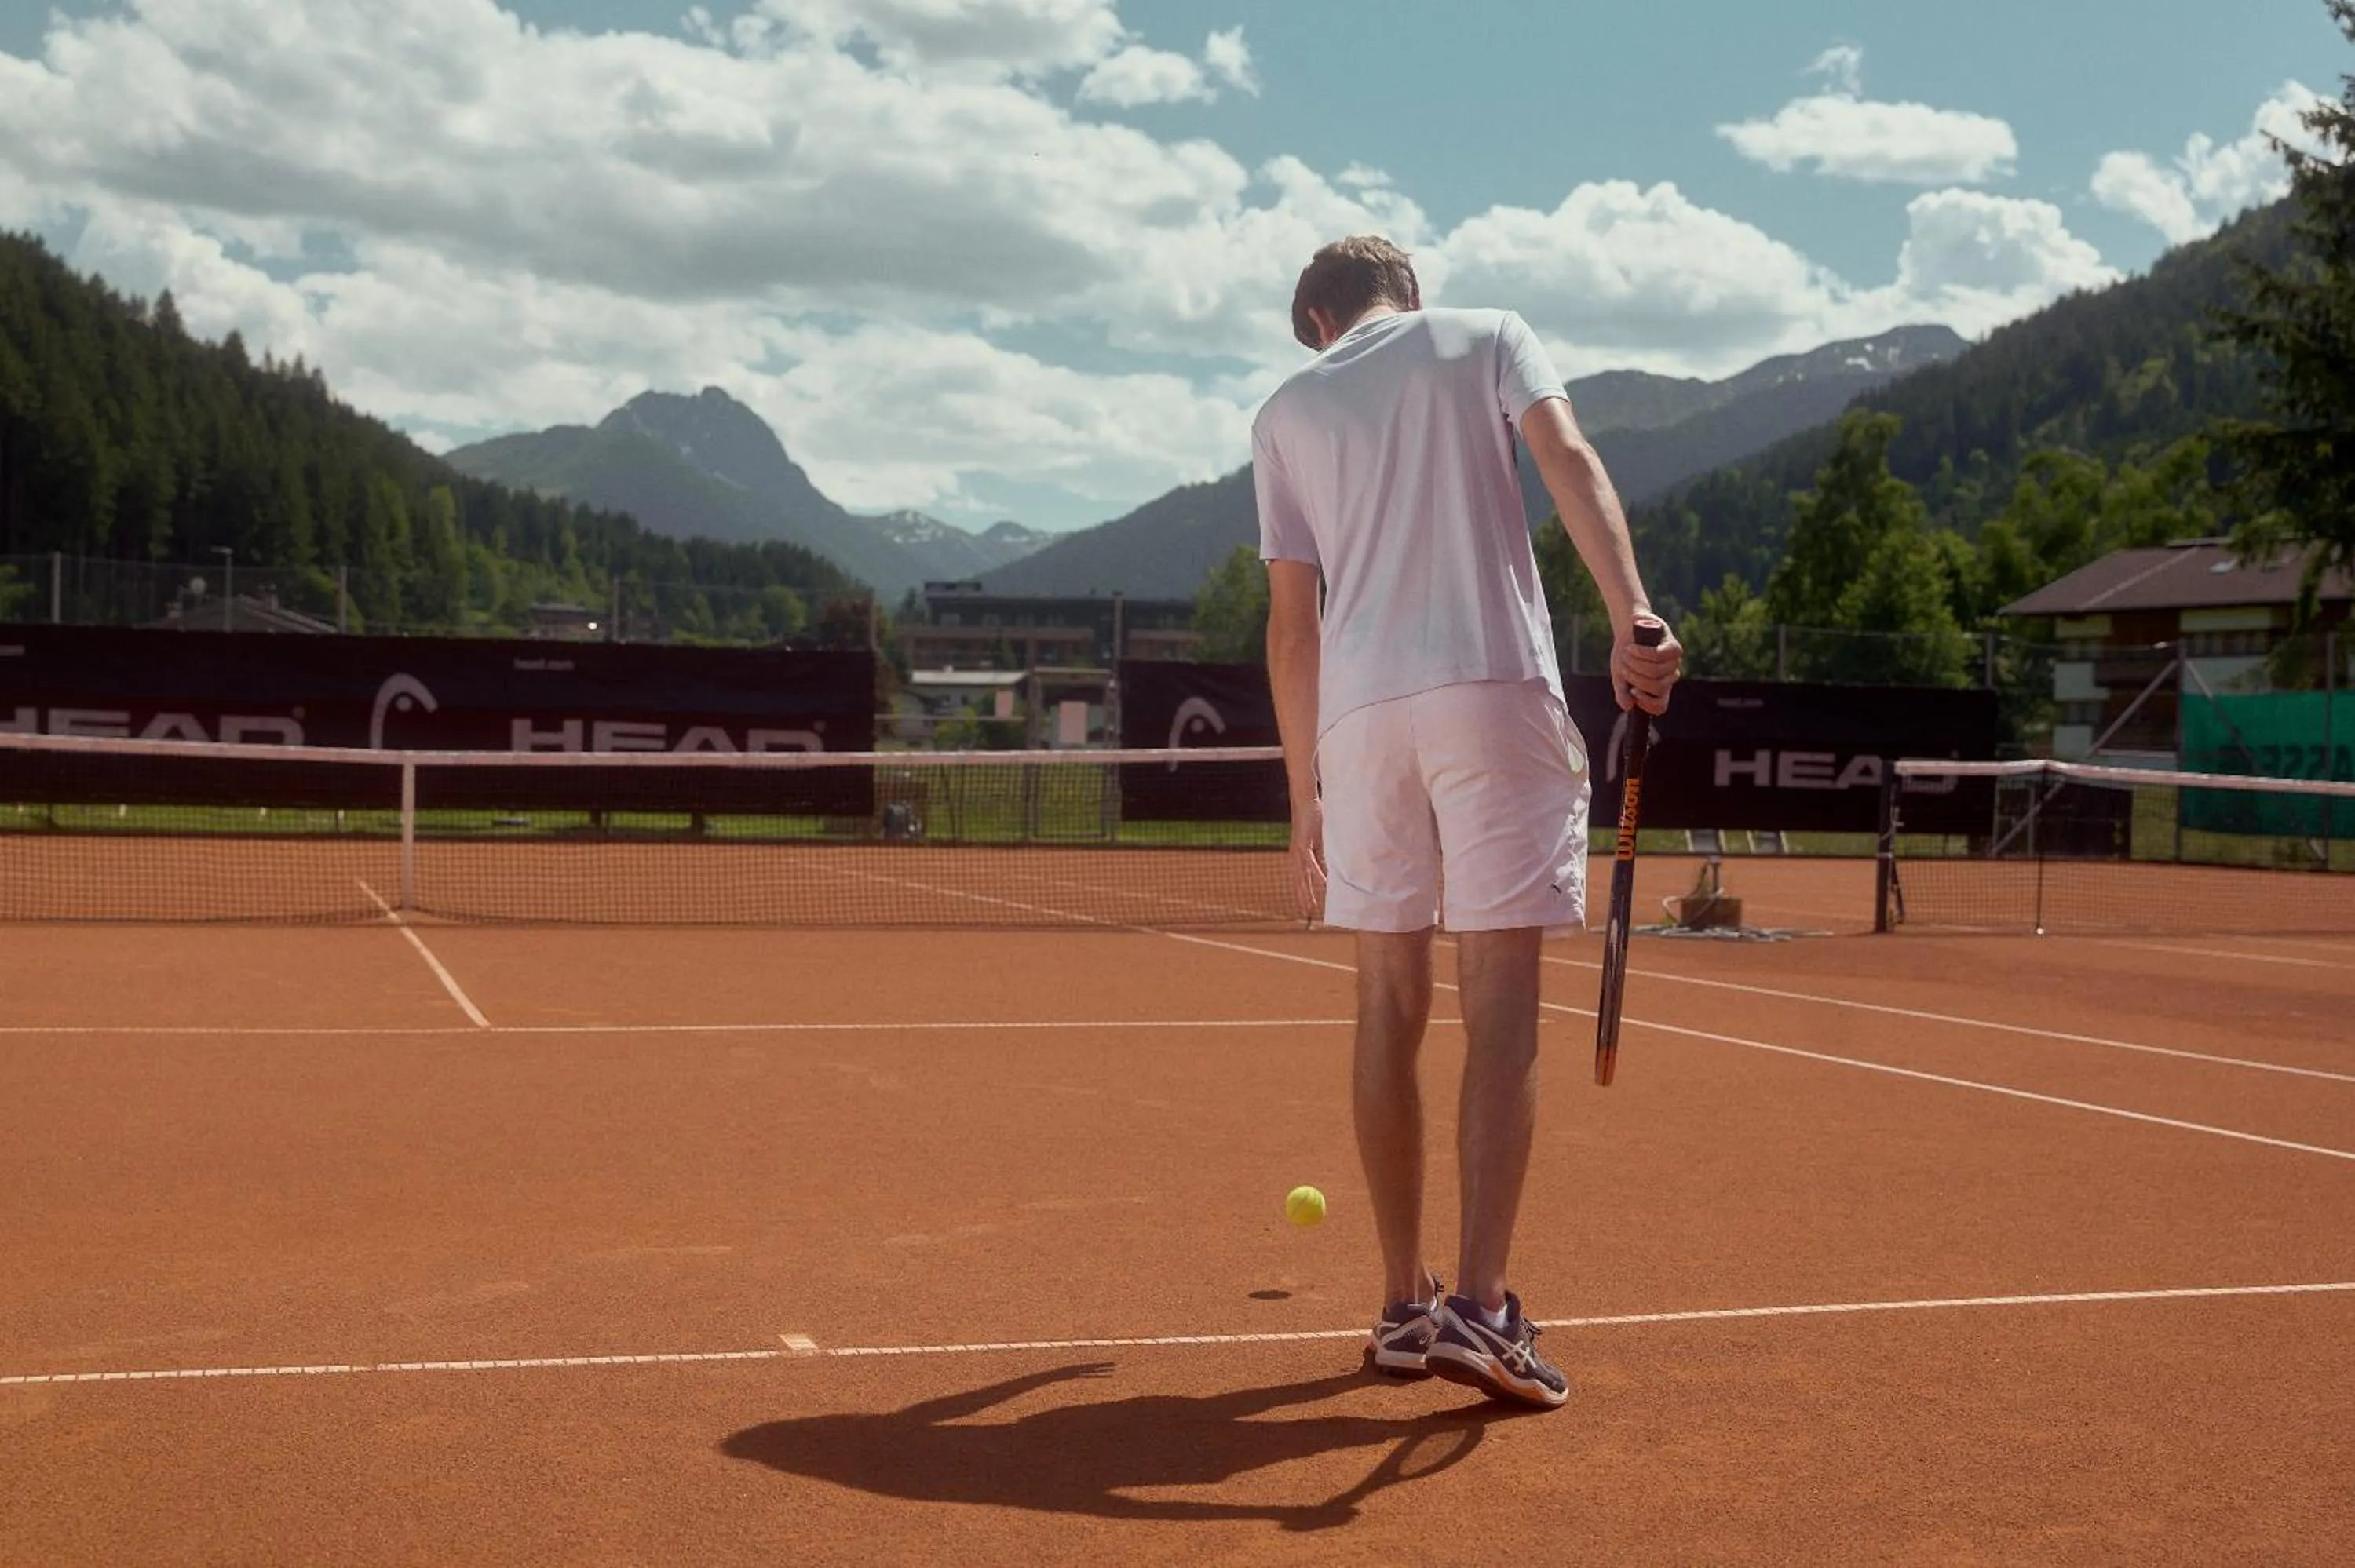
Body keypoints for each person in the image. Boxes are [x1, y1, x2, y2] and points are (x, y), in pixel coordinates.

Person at [1254, 235, 1682, 1409]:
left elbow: (1293, 624)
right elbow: (1569, 458)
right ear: (1410, 293)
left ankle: (1404, 1304)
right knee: (1499, 1001)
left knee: (1385, 1004)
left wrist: (1307, 796)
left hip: (1359, 722)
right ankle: (1483, 1309)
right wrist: (1635, 615)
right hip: (1491, 689)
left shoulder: (1284, 410)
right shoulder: (1489, 333)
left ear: (1318, 318)